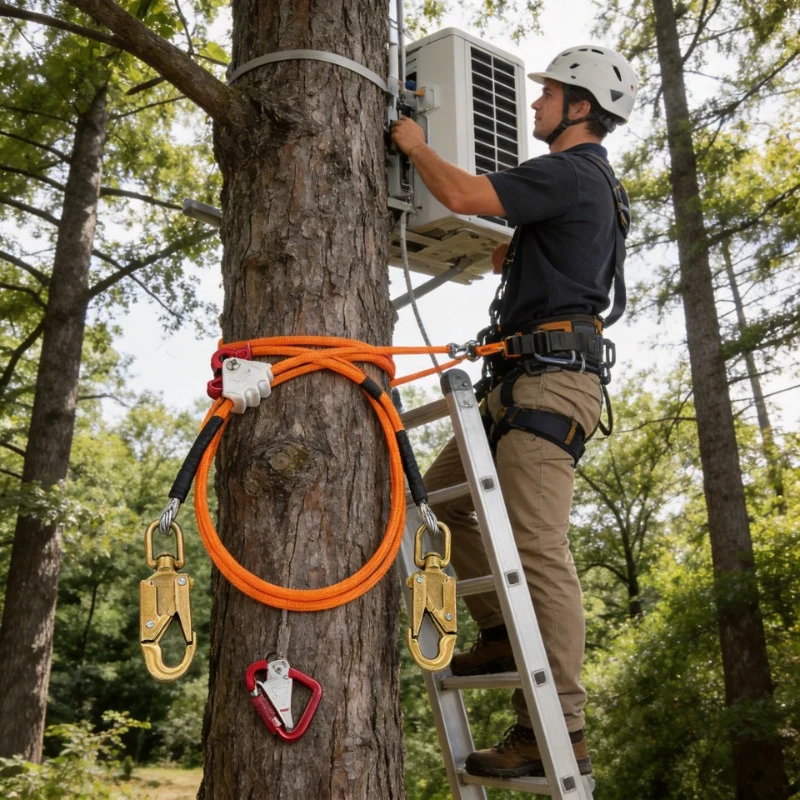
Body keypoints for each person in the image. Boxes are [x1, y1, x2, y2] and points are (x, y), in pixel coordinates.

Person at [391, 45, 638, 779]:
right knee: (437, 504)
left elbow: (466, 197)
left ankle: (556, 729)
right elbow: (537, 252)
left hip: (549, 386)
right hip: (520, 378)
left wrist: (415, 145)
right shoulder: (584, 188)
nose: (534, 107)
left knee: (537, 551)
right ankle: (500, 633)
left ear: (580, 108)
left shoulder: (571, 171)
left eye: (547, 96)